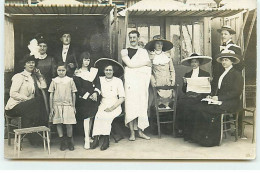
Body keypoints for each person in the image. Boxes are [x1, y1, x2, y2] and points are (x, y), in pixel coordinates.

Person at [186, 49, 243, 147]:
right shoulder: (222, 73)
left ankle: (210, 139)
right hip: (220, 100)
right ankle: (199, 137)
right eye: (223, 60)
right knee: (199, 107)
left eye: (226, 60)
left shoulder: (236, 74)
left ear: (232, 61)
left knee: (206, 110)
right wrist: (212, 96)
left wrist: (219, 98)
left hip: (231, 102)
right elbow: (219, 89)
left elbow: (236, 92)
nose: (224, 62)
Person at [5, 55, 48, 145]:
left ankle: (35, 137)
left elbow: (43, 86)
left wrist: (39, 75)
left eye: (33, 62)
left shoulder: (34, 77)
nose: (31, 64)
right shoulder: (19, 76)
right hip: (14, 107)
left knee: (35, 109)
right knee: (38, 101)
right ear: (24, 65)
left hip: (27, 108)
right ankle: (35, 138)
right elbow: (13, 93)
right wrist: (27, 99)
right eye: (28, 63)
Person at [121, 30, 152, 141]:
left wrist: (137, 69)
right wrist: (143, 64)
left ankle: (140, 131)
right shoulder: (124, 51)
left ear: (138, 38)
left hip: (141, 83)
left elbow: (148, 69)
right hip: (130, 83)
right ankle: (132, 133)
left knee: (141, 106)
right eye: (131, 37)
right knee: (130, 106)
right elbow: (130, 64)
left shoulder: (143, 52)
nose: (133, 39)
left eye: (135, 37)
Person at [175, 53, 212, 140]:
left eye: (196, 62)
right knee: (181, 103)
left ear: (199, 63)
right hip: (190, 95)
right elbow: (185, 91)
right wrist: (184, 83)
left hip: (200, 96)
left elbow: (208, 90)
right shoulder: (187, 74)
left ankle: (193, 134)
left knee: (190, 104)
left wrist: (209, 82)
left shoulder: (205, 74)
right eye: (192, 62)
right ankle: (184, 131)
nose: (194, 64)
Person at [91, 58, 125, 151]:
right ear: (104, 71)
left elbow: (122, 98)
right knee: (98, 116)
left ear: (113, 71)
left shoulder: (118, 81)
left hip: (115, 104)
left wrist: (112, 108)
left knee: (107, 116)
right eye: (106, 70)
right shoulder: (100, 79)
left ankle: (106, 139)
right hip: (103, 103)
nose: (108, 72)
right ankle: (96, 139)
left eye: (110, 70)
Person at [73, 51, 101, 150]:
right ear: (81, 60)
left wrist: (96, 93)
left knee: (92, 117)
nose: (86, 62)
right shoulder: (78, 72)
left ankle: (89, 136)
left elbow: (98, 83)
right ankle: (86, 138)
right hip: (84, 98)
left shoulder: (94, 71)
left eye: (88, 60)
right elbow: (78, 88)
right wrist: (89, 95)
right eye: (85, 60)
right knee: (87, 118)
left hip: (94, 97)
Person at [48, 63, 77, 151]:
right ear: (56, 71)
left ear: (66, 70)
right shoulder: (54, 81)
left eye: (63, 70)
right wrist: (51, 108)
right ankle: (62, 141)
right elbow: (51, 95)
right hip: (57, 105)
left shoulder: (70, 80)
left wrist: (73, 106)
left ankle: (70, 141)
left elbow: (73, 93)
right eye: (59, 70)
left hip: (68, 104)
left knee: (68, 124)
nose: (61, 72)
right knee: (59, 123)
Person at [145, 35, 175, 109]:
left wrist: (173, 80)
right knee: (155, 103)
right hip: (156, 82)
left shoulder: (167, 56)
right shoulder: (151, 56)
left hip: (167, 82)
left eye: (161, 44)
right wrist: (152, 81)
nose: (159, 45)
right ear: (154, 45)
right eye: (157, 43)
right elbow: (149, 71)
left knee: (168, 103)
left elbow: (172, 70)